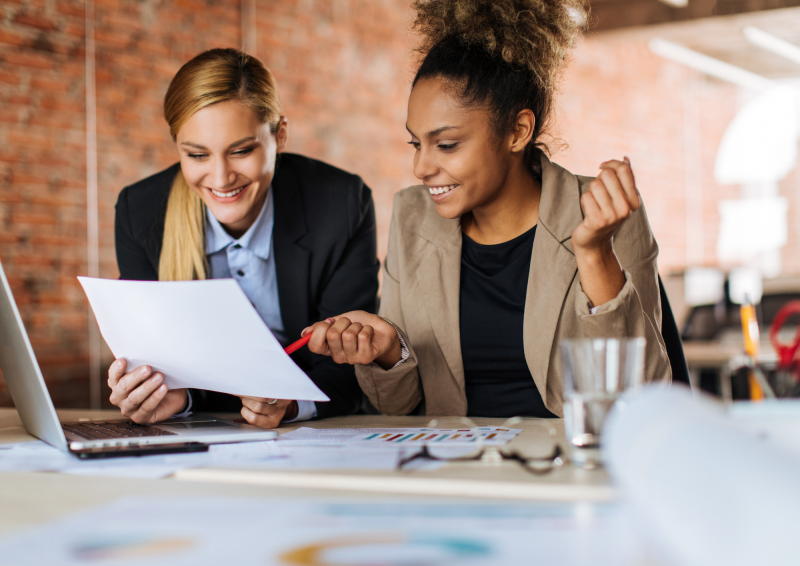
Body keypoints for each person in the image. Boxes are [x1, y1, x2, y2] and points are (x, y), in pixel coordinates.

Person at [304, 0, 671, 418]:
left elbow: (640, 397)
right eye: (416, 143)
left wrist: (594, 254)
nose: (421, 167)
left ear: (518, 131)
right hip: (454, 471)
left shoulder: (603, 215)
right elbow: (394, 407)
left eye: (446, 145)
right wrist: (390, 353)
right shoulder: (412, 216)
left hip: (566, 469)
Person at [107, 48, 379, 427]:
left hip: (313, 431)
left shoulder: (341, 205)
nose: (220, 179)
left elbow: (352, 366)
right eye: (197, 155)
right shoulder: (140, 212)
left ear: (279, 136)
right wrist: (164, 396)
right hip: (205, 433)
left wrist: (292, 405)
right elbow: (159, 364)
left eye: (241, 150)